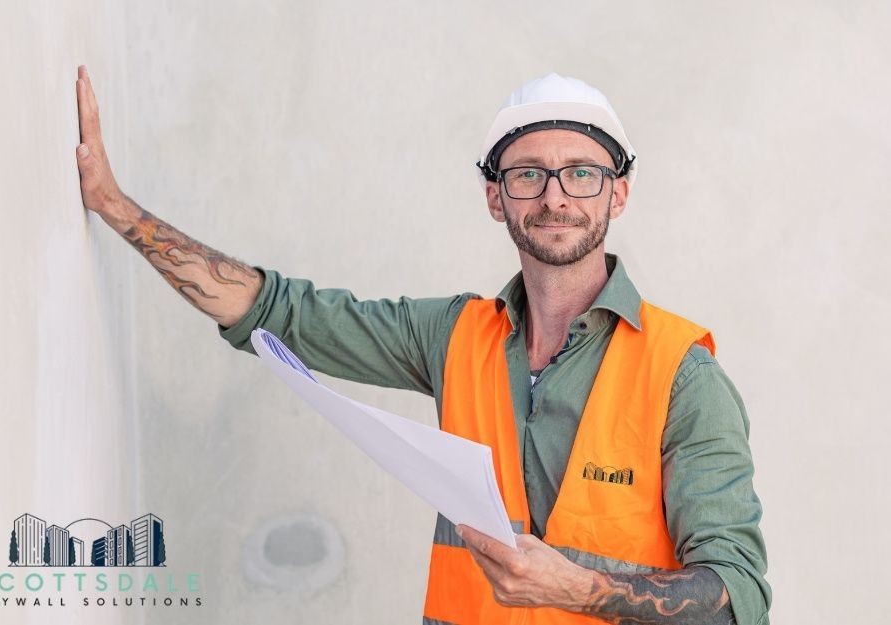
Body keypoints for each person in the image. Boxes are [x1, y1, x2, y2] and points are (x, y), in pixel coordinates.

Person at [75, 66, 771, 624]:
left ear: (618, 193)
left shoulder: (684, 373)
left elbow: (738, 596)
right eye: (527, 173)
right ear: (495, 196)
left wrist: (580, 588)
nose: (555, 196)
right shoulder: (455, 336)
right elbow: (278, 311)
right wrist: (113, 205)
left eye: (582, 173)